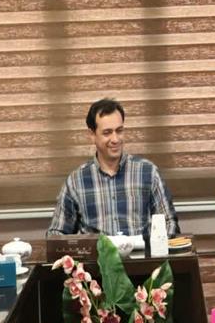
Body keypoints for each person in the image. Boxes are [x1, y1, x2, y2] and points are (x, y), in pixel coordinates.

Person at [48, 98, 179, 237]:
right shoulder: (76, 181)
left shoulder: (148, 173)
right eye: (107, 133)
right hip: (97, 251)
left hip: (141, 250)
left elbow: (169, 222)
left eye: (119, 131)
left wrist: (156, 245)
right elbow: (56, 233)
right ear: (92, 135)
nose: (115, 139)